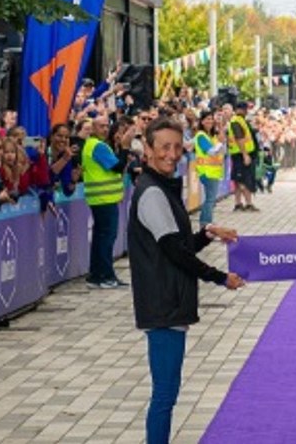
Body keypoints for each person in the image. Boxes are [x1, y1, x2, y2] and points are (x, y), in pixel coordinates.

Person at [127, 117, 244, 444]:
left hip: (168, 301)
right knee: (164, 394)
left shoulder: (162, 187)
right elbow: (175, 253)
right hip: (163, 303)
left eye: (178, 147)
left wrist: (207, 234)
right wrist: (220, 277)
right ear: (147, 148)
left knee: (167, 392)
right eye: (164, 147)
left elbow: (179, 245)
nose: (172, 154)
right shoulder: (152, 193)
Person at [80, 112, 130, 288]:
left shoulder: (92, 145)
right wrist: (125, 148)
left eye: (107, 126)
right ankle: (105, 275)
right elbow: (117, 167)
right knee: (106, 238)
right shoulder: (98, 146)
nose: (105, 129)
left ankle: (96, 275)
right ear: (92, 128)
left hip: (100, 198)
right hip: (104, 198)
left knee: (100, 237)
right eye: (101, 126)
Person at [193, 111, 226, 227]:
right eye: (207, 119)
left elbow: (223, 150)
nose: (210, 121)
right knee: (210, 200)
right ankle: (205, 223)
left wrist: (221, 137)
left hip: (214, 172)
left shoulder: (211, 136)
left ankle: (207, 221)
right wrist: (220, 143)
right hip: (207, 172)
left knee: (211, 199)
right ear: (202, 121)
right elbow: (211, 151)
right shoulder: (201, 136)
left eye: (211, 119)